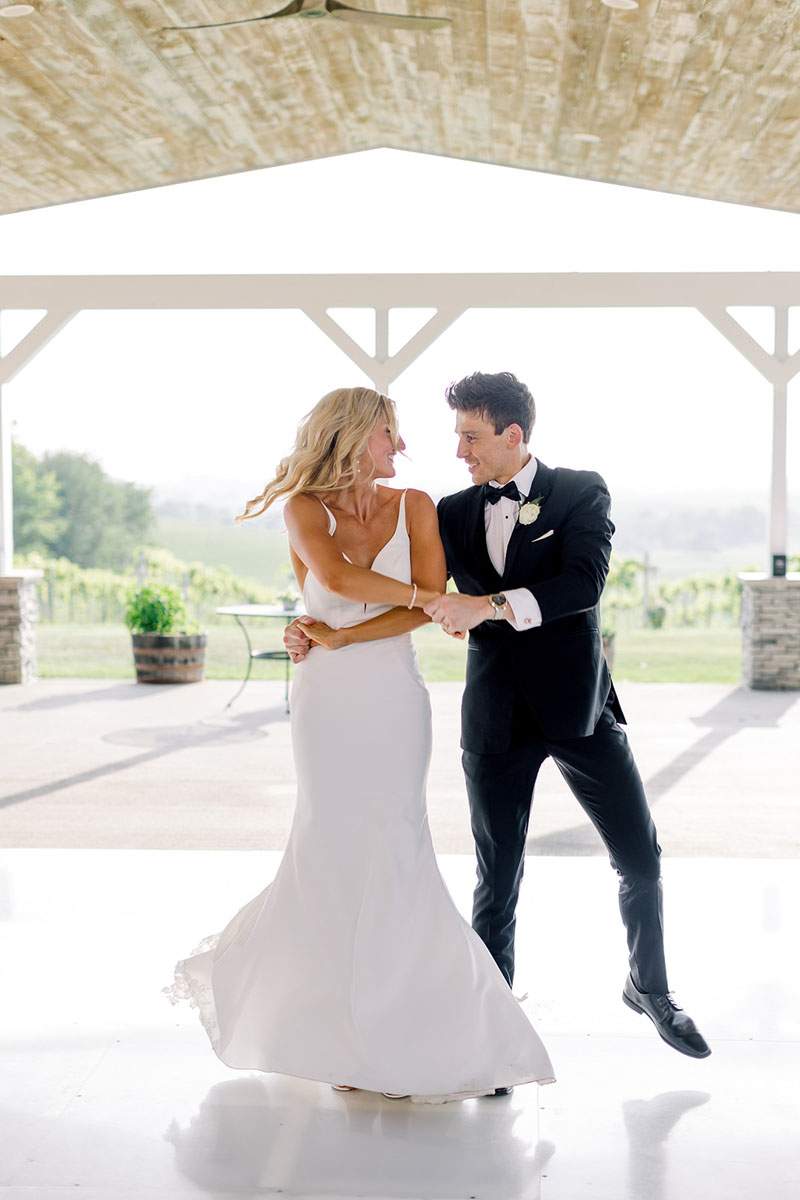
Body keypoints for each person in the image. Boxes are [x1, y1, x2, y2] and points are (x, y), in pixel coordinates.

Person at [287, 371, 710, 1062]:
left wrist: (487, 606)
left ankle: (651, 988)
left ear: (513, 436)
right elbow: (406, 589)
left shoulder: (581, 491)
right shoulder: (449, 510)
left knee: (639, 856)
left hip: (578, 708)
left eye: (471, 436)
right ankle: (490, 1027)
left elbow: (582, 583)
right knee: (497, 872)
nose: (458, 451)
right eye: (457, 435)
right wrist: (320, 627)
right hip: (494, 713)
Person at [165, 386, 554, 1101]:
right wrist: (414, 599)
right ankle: (327, 1028)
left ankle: (404, 1024)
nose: (401, 449)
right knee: (329, 840)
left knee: (398, 841)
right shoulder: (304, 509)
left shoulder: (416, 506)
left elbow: (416, 598)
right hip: (327, 702)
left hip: (390, 695)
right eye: (388, 435)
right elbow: (340, 578)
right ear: (351, 437)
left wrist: (348, 631)